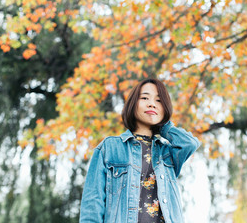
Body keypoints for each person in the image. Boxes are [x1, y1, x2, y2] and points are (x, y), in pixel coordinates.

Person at [79, 78, 201, 223]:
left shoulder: (167, 153)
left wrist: (164, 126)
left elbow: (190, 143)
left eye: (159, 100)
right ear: (133, 103)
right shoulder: (110, 148)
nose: (152, 104)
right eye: (144, 98)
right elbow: (92, 204)